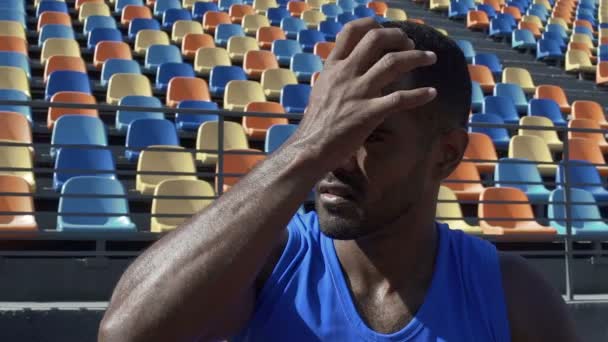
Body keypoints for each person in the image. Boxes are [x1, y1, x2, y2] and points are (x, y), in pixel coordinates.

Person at [99, 19, 580, 341]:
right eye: (330, 127)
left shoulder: (514, 298)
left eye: (372, 134)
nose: (336, 158)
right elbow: (126, 334)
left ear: (447, 154)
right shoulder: (267, 266)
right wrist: (308, 143)